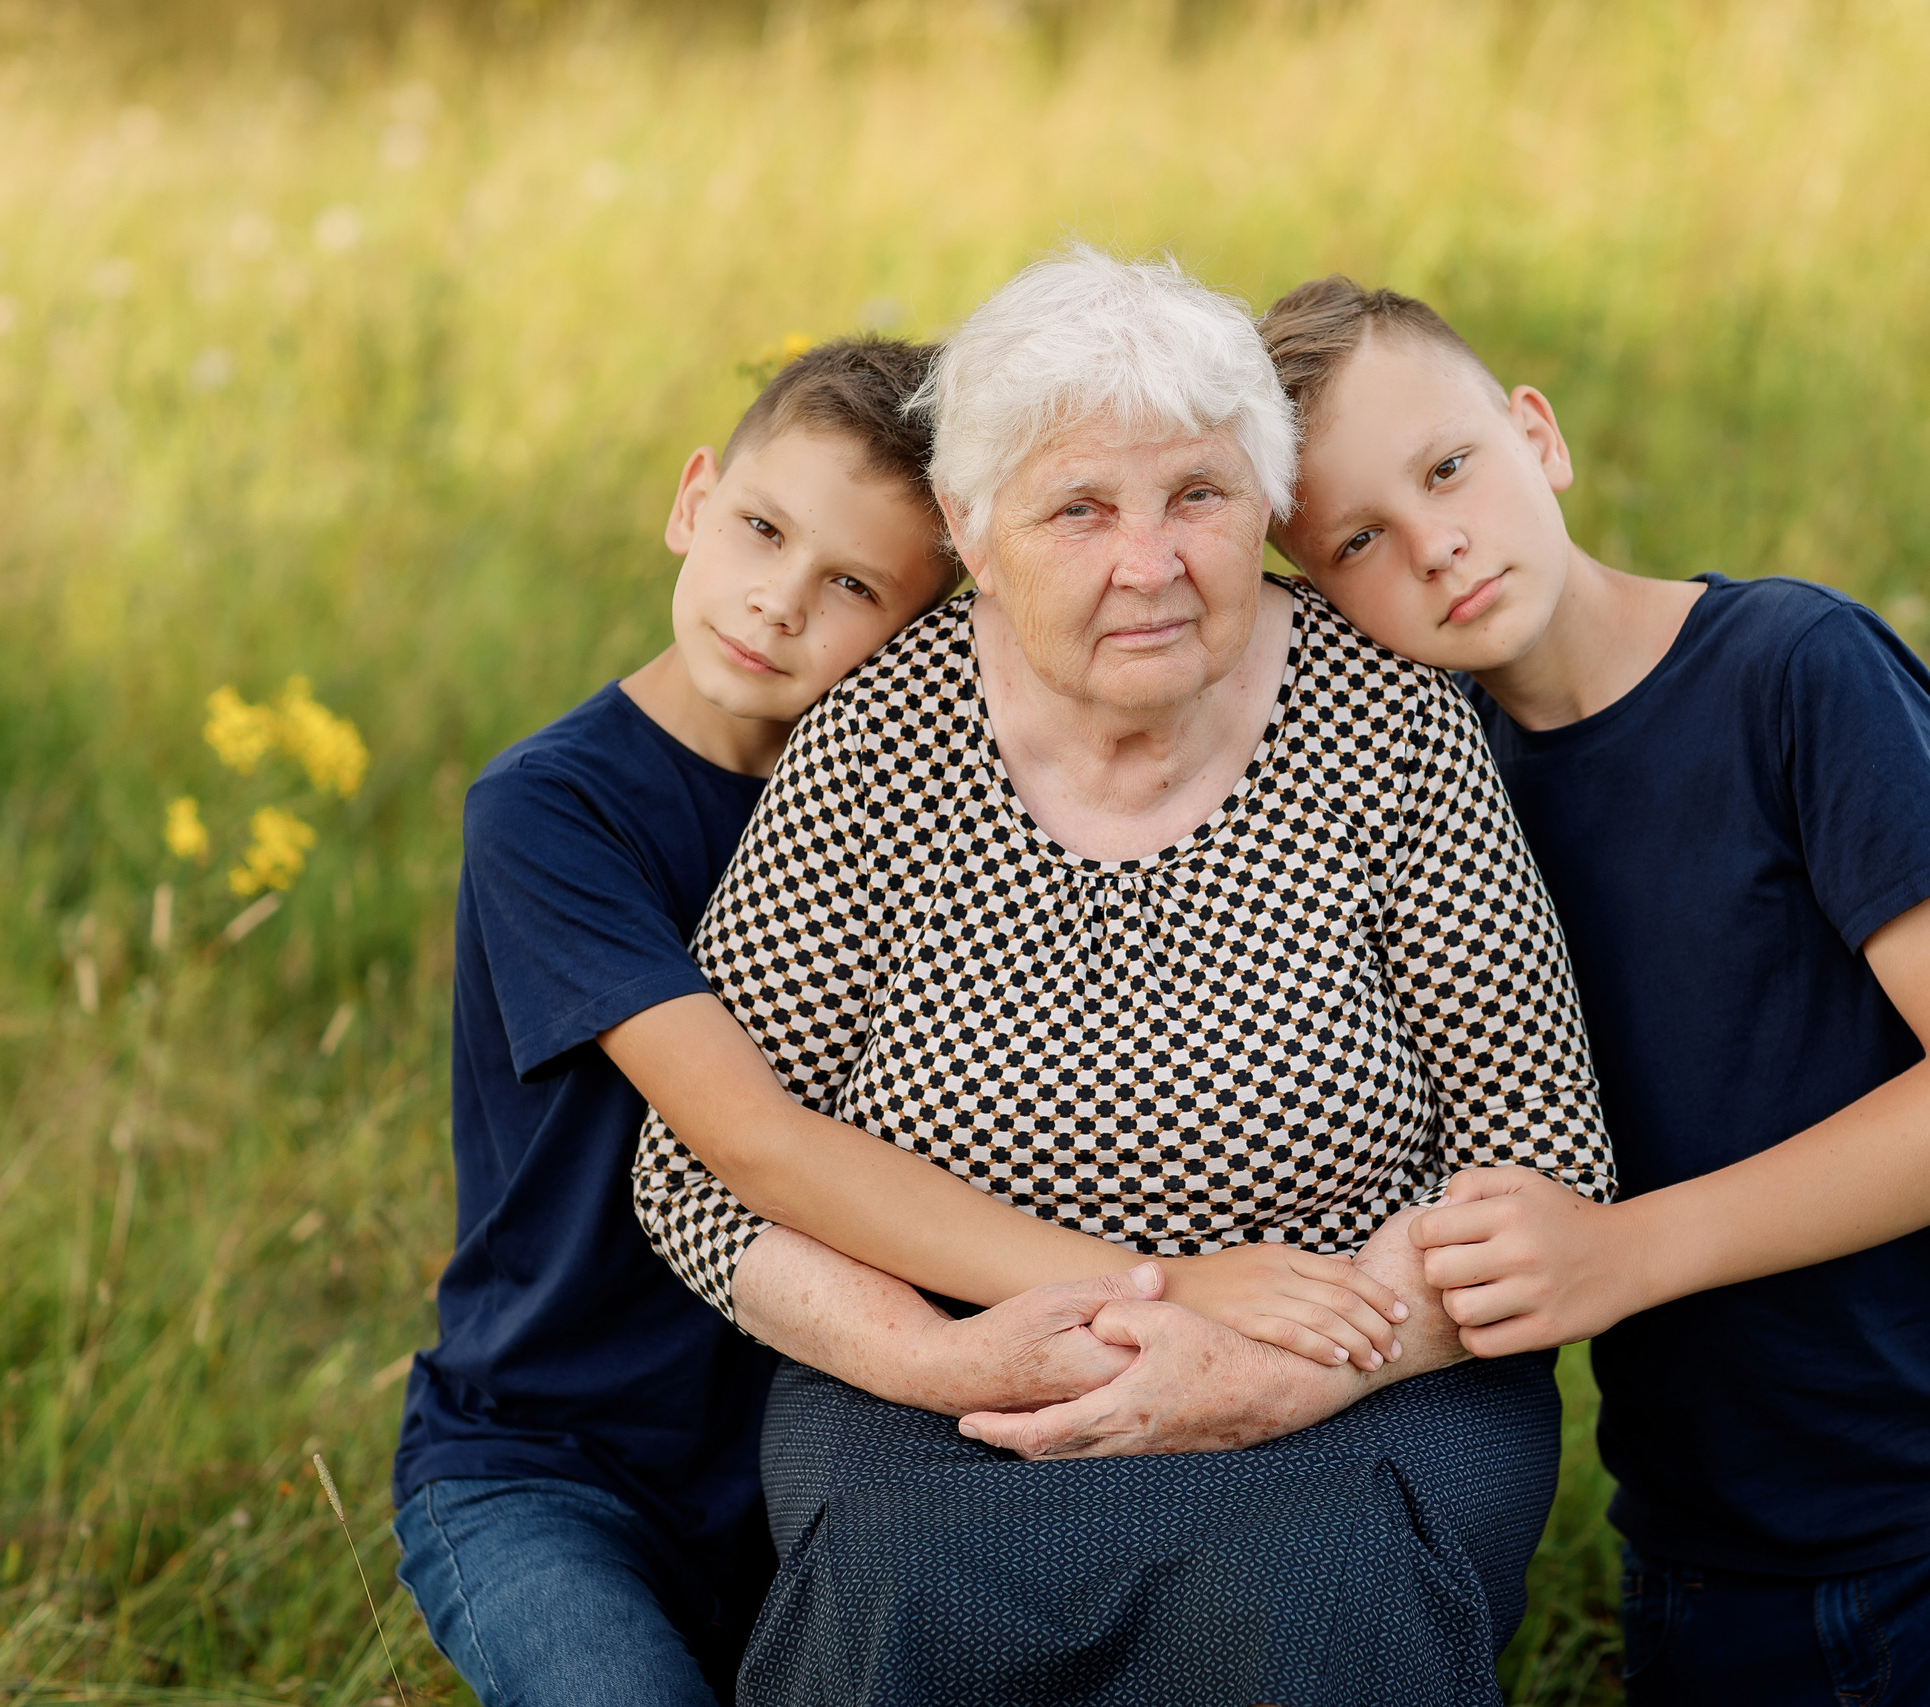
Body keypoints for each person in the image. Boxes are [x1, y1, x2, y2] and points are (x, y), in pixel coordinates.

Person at [627, 248, 1615, 1707]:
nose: (1148, 564)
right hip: (957, 1393)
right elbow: (697, 1179)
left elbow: (1540, 1155)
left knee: (1303, 1595)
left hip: (1350, 1379)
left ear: (1262, 503)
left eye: (1198, 499)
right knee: (906, 1582)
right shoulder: (879, 741)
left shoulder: (1393, 723)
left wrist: (1307, 1366)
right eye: (1078, 508)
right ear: (969, 527)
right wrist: (937, 1363)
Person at [1257, 275, 1930, 1704]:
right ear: (1318, 602)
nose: (1436, 543)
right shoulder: (1417, 805)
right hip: (1715, 1560)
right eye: (1359, 541)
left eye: (1449, 467)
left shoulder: (1794, 673)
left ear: (1539, 437)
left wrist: (1623, 1253)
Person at [389, 338, 973, 1707]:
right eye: (762, 531)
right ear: (693, 498)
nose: (775, 604)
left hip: (815, 1451)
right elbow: (749, 1145)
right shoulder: (554, 808)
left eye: (852, 586)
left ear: (932, 628)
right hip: (548, 1463)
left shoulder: (923, 814)